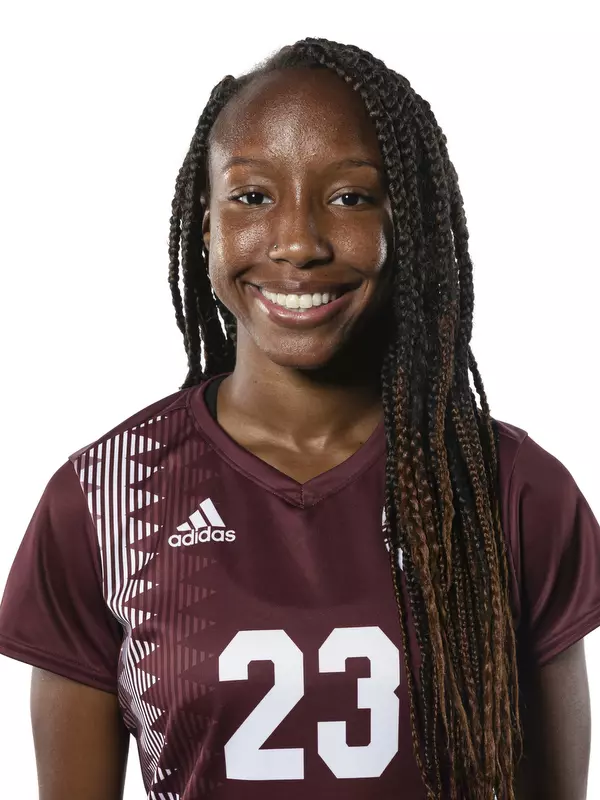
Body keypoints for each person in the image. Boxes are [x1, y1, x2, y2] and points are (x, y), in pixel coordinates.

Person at [0, 37, 598, 800]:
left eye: (350, 197)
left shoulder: (511, 493)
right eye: (252, 197)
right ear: (205, 226)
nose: (298, 243)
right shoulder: (106, 499)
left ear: (407, 224)